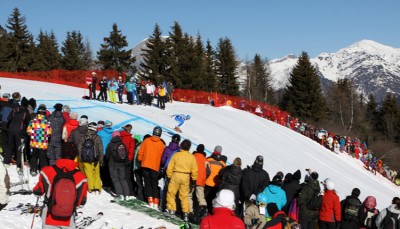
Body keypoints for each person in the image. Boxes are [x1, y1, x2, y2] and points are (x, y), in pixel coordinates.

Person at [33, 142, 88, 229]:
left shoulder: (46, 171)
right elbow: (81, 202)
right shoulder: (81, 177)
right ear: (75, 156)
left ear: (61, 153)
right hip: (68, 217)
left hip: (49, 215)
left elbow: (38, 191)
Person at [165, 139, 198, 221]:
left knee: (171, 193)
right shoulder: (191, 157)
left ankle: (172, 210)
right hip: (186, 176)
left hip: (176, 174)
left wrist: (169, 176)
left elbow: (170, 166)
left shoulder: (176, 155)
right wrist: (194, 179)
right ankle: (185, 213)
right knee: (184, 196)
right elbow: (195, 169)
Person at [137, 126, 165, 207]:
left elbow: (141, 152)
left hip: (145, 164)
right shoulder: (161, 144)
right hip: (155, 166)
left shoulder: (146, 140)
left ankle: (150, 200)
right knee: (154, 184)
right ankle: (156, 201)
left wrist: (140, 160)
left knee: (147, 183)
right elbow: (162, 157)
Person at [27, 104, 52, 176]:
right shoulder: (47, 122)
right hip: (43, 143)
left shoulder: (33, 121)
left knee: (34, 156)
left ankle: (33, 169)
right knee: (43, 157)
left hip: (34, 142)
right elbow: (49, 133)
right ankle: (43, 171)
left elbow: (28, 131)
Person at [106, 131, 130, 201]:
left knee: (115, 179)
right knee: (123, 179)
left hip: (112, 164)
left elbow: (107, 155)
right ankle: (127, 194)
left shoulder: (110, 144)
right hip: (122, 164)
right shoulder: (123, 144)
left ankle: (120, 195)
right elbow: (126, 155)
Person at [81, 122, 103, 194]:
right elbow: (100, 149)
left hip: (86, 159)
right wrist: (101, 159)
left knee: (89, 173)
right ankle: (97, 187)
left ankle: (91, 188)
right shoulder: (97, 138)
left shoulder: (83, 137)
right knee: (96, 173)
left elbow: (79, 148)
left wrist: (81, 157)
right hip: (95, 159)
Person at [205, 145, 227, 213]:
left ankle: (201, 212)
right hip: (216, 184)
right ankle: (209, 212)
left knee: (204, 198)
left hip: (207, 183)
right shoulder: (223, 164)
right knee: (211, 200)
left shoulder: (208, 159)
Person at [192, 144, 210, 218]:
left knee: (189, 195)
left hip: (192, 179)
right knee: (201, 197)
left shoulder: (193, 156)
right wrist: (204, 177)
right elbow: (208, 172)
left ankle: (188, 212)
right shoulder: (206, 160)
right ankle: (203, 211)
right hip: (201, 181)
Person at [119, 124, 135, 197]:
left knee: (120, 174)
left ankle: (120, 190)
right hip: (127, 158)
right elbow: (131, 150)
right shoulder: (130, 139)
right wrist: (130, 159)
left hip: (119, 158)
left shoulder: (120, 136)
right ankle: (128, 192)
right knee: (127, 176)